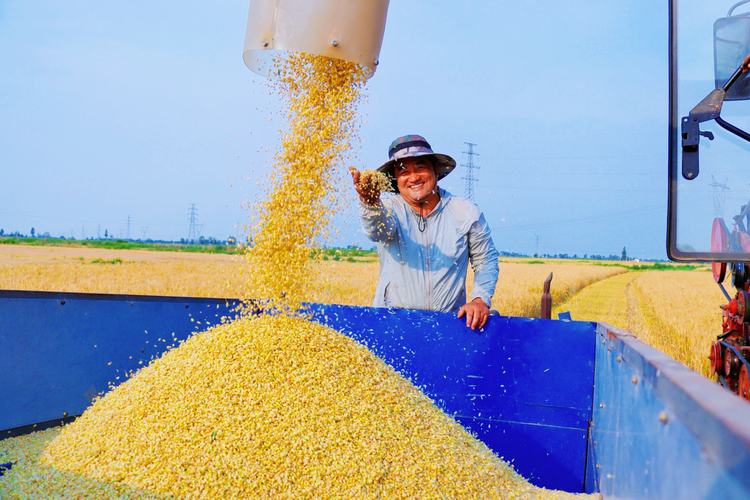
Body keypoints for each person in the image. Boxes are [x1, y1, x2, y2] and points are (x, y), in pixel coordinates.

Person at [350, 134, 500, 330]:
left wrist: (480, 300)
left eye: (420, 168)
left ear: (435, 170)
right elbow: (376, 231)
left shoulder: (465, 211)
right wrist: (369, 203)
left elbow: (486, 260)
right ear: (395, 179)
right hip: (393, 323)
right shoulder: (387, 209)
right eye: (404, 172)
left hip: (449, 323)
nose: (413, 177)